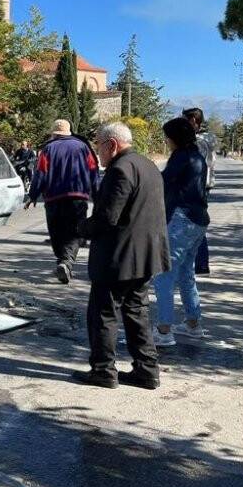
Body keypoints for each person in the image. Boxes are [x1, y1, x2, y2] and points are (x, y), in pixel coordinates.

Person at [74, 122, 169, 390]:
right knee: (137, 312)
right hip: (145, 256)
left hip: (119, 258)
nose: (97, 153)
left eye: (98, 146)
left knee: (103, 314)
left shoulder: (120, 169)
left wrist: (80, 228)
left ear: (112, 145)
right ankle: (147, 370)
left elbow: (107, 218)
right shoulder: (147, 165)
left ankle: (103, 370)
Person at [150, 118, 210, 347]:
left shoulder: (181, 157)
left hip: (181, 220)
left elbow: (162, 182)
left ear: (175, 137)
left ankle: (164, 331)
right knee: (185, 272)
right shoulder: (197, 156)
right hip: (198, 219)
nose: (166, 141)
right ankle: (193, 323)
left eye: (167, 137)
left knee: (163, 273)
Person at [27, 119, 100, 284]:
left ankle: (63, 261)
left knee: (56, 232)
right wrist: (97, 194)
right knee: (75, 232)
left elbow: (40, 173)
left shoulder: (48, 149)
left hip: (53, 198)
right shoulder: (83, 147)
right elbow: (93, 170)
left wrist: (33, 195)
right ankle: (66, 262)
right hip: (77, 196)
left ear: (54, 133)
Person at [183, 107, 215, 274]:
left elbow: (195, 167)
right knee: (195, 223)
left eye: (185, 120)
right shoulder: (201, 140)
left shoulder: (199, 142)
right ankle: (199, 262)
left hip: (198, 186)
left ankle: (201, 262)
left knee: (195, 224)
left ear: (194, 121)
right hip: (199, 186)